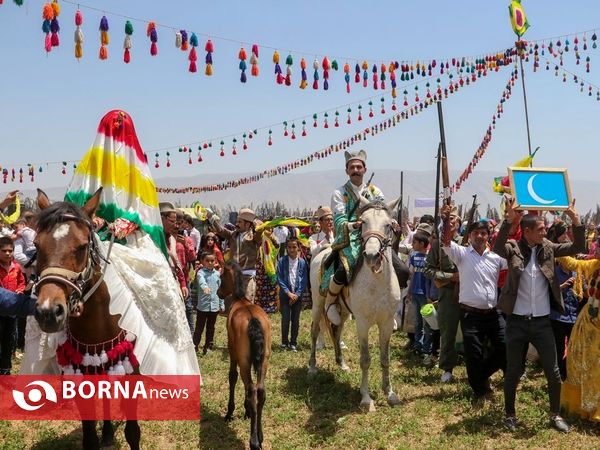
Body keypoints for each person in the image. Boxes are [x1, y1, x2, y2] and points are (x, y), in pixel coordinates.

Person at [493, 198, 584, 433]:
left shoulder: (549, 248)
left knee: (553, 372)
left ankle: (555, 415)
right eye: (541, 229)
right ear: (528, 231)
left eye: (545, 228)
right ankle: (510, 415)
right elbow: (496, 247)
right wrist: (508, 221)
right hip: (516, 322)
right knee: (513, 370)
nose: (545, 232)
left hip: (543, 322)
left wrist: (576, 221)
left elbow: (577, 247)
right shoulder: (514, 247)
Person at [322, 149, 409, 325]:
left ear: (365, 169)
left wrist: (391, 223)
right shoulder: (339, 193)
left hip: (375, 237)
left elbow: (386, 212)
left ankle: (391, 306)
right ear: (347, 170)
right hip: (352, 237)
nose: (356, 169)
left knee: (402, 270)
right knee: (348, 265)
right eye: (352, 167)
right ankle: (330, 302)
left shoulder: (375, 191)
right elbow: (339, 219)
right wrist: (353, 225)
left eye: (359, 166)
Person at [441, 212, 507, 405]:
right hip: (471, 315)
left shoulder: (496, 258)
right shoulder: (461, 254)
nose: (480, 236)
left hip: (493, 314)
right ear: (469, 236)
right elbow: (446, 241)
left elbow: (514, 264)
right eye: (476, 232)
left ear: (488, 236)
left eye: (483, 233)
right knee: (474, 354)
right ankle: (480, 391)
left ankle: (480, 377)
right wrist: (447, 223)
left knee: (505, 348)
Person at [557, 241, 600, 422]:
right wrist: (556, 247)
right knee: (580, 361)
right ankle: (585, 405)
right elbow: (571, 264)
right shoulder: (594, 265)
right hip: (588, 322)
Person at [424, 208, 461, 383]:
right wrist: (450, 277)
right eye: (448, 219)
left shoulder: (468, 242)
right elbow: (427, 269)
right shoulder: (438, 245)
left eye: (454, 219)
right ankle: (447, 368)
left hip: (469, 292)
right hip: (447, 293)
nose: (451, 222)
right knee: (448, 332)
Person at [207, 207, 263, 303]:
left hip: (247, 277)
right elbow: (220, 230)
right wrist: (211, 217)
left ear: (247, 224)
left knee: (247, 302)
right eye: (237, 221)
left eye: (240, 222)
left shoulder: (253, 238)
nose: (236, 224)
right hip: (234, 277)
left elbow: (259, 235)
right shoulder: (233, 235)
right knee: (235, 303)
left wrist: (260, 228)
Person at [547, 221, 580, 380]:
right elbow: (546, 292)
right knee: (558, 349)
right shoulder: (553, 271)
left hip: (574, 317)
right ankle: (558, 378)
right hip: (557, 316)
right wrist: (562, 286)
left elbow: (584, 293)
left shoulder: (578, 272)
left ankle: (568, 375)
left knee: (574, 349)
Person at [277, 237, 308, 351]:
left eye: (294, 247)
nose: (292, 249)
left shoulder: (302, 262)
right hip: (285, 296)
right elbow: (279, 278)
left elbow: (304, 279)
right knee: (285, 319)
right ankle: (284, 342)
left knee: (295, 320)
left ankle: (293, 342)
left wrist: (297, 294)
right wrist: (288, 293)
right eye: (289, 247)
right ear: (286, 248)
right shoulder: (282, 261)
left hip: (297, 296)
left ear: (298, 248)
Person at [0, 236, 26, 374]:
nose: (8, 253)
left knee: (9, 339)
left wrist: (20, 290)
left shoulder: (16, 267)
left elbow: (22, 282)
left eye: (10, 250)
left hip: (12, 310)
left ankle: (5, 368)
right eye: (4, 251)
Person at [407, 232, 432, 361]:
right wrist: (409, 292)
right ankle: (418, 344)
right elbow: (412, 276)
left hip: (426, 296)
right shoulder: (414, 256)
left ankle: (427, 348)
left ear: (422, 244)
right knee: (417, 321)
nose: (412, 244)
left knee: (427, 323)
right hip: (415, 293)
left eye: (415, 242)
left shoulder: (430, 258)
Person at [193, 252, 224, 355]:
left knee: (211, 328)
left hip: (214, 307)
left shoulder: (217, 274)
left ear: (215, 261)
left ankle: (208, 347)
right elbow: (201, 281)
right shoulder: (200, 273)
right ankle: (195, 345)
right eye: (207, 261)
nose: (210, 263)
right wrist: (204, 287)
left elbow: (220, 290)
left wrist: (221, 303)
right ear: (202, 261)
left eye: (212, 261)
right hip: (203, 307)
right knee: (199, 327)